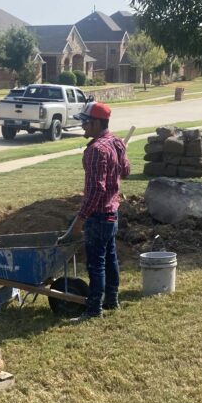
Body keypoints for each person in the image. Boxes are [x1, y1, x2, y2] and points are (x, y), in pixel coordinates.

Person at [69, 101, 130, 321]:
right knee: (110, 258)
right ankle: (111, 300)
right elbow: (127, 171)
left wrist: (80, 220)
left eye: (85, 122)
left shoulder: (96, 150)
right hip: (112, 213)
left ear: (96, 123)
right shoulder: (116, 143)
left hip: (99, 214)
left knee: (96, 263)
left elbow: (96, 190)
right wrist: (120, 156)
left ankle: (94, 309)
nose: (83, 126)